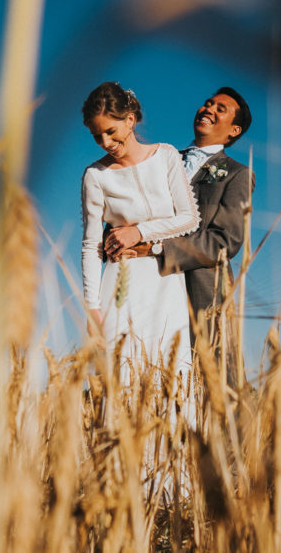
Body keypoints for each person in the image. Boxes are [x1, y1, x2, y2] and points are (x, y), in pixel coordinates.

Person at [115, 87, 253, 389]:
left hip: (202, 294)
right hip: (147, 283)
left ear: (234, 130)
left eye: (221, 109)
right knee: (145, 375)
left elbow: (224, 241)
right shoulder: (160, 160)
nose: (209, 108)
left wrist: (156, 247)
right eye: (207, 103)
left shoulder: (235, 174)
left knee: (213, 386)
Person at [80, 82, 200, 380]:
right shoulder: (95, 176)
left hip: (165, 280)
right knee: (122, 372)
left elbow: (189, 218)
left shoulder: (166, 156)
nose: (105, 142)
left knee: (170, 371)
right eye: (97, 136)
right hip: (119, 281)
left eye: (111, 131)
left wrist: (139, 232)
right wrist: (92, 307)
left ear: (130, 120)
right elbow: (91, 245)